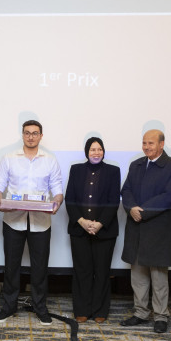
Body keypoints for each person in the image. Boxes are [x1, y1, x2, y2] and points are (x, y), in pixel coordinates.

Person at [0, 120, 63, 325]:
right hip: (13, 220)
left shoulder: (50, 160)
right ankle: (8, 307)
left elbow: (57, 188)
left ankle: (40, 308)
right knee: (11, 266)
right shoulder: (9, 158)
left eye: (35, 133)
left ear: (41, 136)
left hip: (41, 222)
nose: (31, 136)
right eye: (27, 133)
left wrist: (57, 203)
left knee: (40, 268)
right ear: (22, 135)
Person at [119, 129, 171, 333]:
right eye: (144, 143)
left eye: (151, 143)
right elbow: (126, 190)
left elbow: (169, 196)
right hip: (136, 227)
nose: (146, 147)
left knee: (158, 277)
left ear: (161, 144)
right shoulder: (136, 165)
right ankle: (140, 312)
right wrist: (131, 208)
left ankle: (161, 316)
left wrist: (142, 212)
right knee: (138, 275)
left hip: (158, 229)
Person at [65, 137, 120, 324]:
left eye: (99, 149)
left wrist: (99, 223)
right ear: (86, 152)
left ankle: (99, 311)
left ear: (103, 151)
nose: (96, 153)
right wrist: (81, 221)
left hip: (105, 231)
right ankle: (82, 310)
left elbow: (114, 201)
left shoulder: (113, 171)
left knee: (102, 272)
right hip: (79, 229)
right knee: (82, 271)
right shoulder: (76, 170)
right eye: (92, 149)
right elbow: (70, 199)